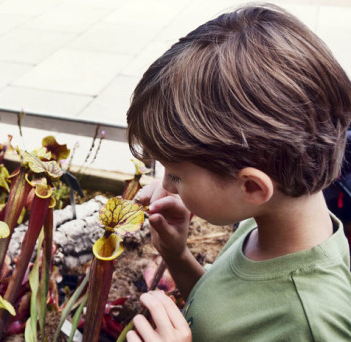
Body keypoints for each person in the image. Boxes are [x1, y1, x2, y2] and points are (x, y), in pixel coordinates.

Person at [124, 4, 351, 341]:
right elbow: (227, 313)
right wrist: (177, 255)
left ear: (252, 187)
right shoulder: (266, 223)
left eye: (176, 174)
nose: (167, 187)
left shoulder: (311, 324)